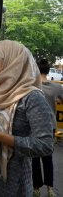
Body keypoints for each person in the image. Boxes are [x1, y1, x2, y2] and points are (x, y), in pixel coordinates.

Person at [0, 40, 54, 197]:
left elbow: (45, 145)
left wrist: (3, 138)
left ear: (12, 61)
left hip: (9, 181)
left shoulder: (32, 98)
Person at [32, 59, 63, 197]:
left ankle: (36, 188)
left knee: (34, 158)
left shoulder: (32, 86)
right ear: (48, 70)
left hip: (33, 125)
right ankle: (50, 189)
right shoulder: (57, 87)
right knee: (47, 157)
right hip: (50, 125)